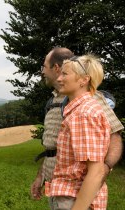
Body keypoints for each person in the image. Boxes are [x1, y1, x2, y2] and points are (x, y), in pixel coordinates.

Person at [30, 48, 124, 204]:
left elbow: (114, 135)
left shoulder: (88, 101)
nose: (42, 72)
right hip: (57, 184)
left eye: (44, 67)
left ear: (56, 67)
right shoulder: (55, 99)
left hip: (76, 190)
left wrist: (102, 170)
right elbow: (53, 148)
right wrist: (41, 176)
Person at [46, 54, 113, 209]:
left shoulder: (83, 114)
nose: (59, 79)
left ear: (84, 80)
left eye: (65, 74)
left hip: (73, 200)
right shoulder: (80, 110)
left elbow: (96, 172)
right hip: (70, 197)